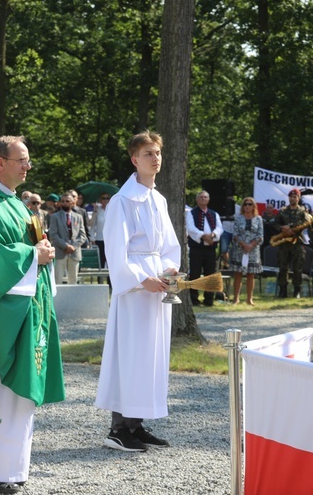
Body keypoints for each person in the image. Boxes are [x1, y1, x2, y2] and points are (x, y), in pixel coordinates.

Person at [0, 135, 65, 494]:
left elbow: (28, 246)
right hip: (1, 310)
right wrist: (33, 255)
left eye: (29, 160)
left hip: (26, 305)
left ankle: (12, 467)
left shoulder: (21, 205)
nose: (28, 166)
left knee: (21, 394)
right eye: (21, 159)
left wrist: (42, 250)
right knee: (0, 388)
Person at [95, 130, 181, 452]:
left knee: (150, 357)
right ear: (134, 159)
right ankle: (118, 427)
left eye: (158, 152)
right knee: (130, 356)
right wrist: (139, 279)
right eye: (148, 153)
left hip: (157, 288)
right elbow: (116, 252)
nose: (155, 158)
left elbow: (169, 245)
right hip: (135, 292)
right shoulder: (121, 201)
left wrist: (170, 269)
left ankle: (137, 424)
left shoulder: (159, 199)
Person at [185, 190, 223, 306]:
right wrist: (202, 235)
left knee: (210, 274)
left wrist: (212, 235)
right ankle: (194, 300)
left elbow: (219, 228)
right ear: (197, 200)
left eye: (205, 197)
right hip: (197, 248)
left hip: (210, 249)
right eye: (201, 197)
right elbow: (190, 228)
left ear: (208, 199)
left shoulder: (214, 214)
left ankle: (209, 300)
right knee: (195, 274)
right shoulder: (191, 213)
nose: (203, 199)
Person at [276, 188, 311, 298]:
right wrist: (282, 228)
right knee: (283, 267)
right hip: (284, 243)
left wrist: (291, 227)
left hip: (297, 243)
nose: (293, 198)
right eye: (291, 196)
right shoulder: (282, 211)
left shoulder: (302, 211)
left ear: (298, 198)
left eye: (295, 196)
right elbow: (275, 224)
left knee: (297, 268)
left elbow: (306, 223)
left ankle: (297, 291)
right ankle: (283, 290)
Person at [228, 197, 263, 305]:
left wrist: (251, 245)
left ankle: (249, 299)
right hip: (240, 249)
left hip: (253, 250)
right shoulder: (238, 218)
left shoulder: (258, 219)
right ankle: (236, 299)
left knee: (250, 274)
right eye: (245, 204)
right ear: (243, 206)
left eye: (250, 204)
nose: (247, 206)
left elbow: (260, 235)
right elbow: (235, 234)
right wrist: (243, 244)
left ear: (254, 206)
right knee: (238, 274)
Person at [48, 192, 87, 285]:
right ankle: (57, 299)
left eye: (67, 201)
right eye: (63, 201)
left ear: (73, 203)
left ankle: (73, 299)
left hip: (74, 252)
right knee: (57, 280)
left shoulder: (78, 217)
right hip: (60, 251)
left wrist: (73, 246)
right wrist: (65, 246)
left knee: (73, 280)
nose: (65, 203)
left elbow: (82, 235)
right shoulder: (54, 217)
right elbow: (53, 234)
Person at [90, 192, 111, 282]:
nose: (105, 200)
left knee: (111, 263)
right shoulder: (97, 210)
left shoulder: (113, 209)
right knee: (101, 262)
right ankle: (100, 282)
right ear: (100, 200)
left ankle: (111, 284)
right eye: (103, 198)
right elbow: (91, 225)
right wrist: (92, 239)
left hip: (111, 240)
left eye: (107, 198)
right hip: (100, 239)